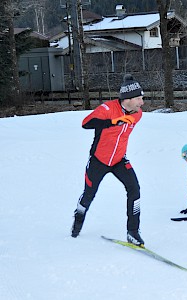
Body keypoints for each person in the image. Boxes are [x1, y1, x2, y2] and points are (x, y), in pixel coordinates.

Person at [71, 74, 145, 247]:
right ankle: (79, 215)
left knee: (134, 189)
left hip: (119, 160)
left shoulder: (138, 114)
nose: (142, 102)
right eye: (139, 98)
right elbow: (86, 123)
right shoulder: (107, 109)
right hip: (98, 160)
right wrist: (113, 122)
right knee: (89, 194)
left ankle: (133, 232)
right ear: (128, 98)